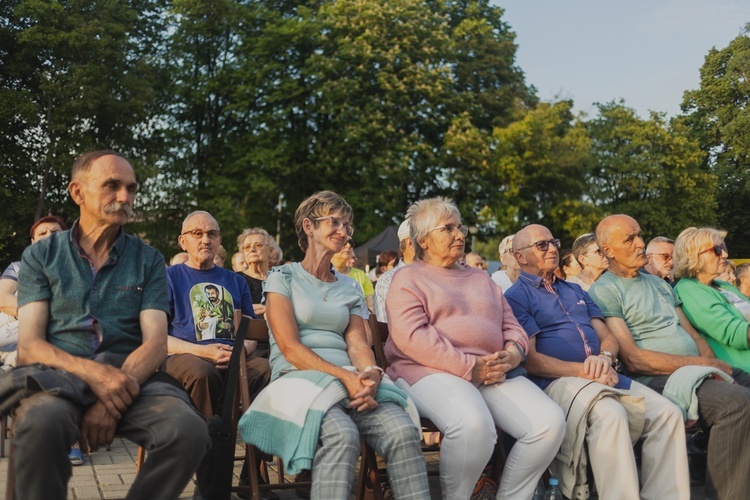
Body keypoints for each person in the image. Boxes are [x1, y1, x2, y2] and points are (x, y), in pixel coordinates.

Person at [13, 150, 209, 500]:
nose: (125, 197)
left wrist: (109, 400)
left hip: (131, 379)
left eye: (131, 189)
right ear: (78, 192)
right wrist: (95, 376)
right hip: (59, 378)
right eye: (111, 186)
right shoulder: (41, 255)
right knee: (39, 422)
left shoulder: (147, 259)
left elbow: (155, 344)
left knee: (187, 429)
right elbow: (29, 345)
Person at [242, 190, 429, 499]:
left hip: (349, 379)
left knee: (403, 431)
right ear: (308, 227)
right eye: (334, 222)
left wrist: (370, 374)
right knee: (342, 435)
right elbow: (289, 348)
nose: (343, 232)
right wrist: (345, 377)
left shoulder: (350, 286)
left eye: (347, 225)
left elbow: (357, 344)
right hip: (298, 379)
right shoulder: (282, 277)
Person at [385, 197, 565, 500]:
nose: (459, 235)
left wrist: (513, 353)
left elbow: (512, 325)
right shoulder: (407, 278)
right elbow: (412, 337)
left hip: (492, 370)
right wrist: (470, 366)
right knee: (473, 425)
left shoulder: (481, 278)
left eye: (460, 227)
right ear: (423, 240)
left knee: (548, 423)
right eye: (448, 229)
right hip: (427, 371)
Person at [505, 224, 689, 500]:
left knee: (668, 414)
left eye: (553, 242)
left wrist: (604, 358)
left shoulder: (575, 290)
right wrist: (585, 371)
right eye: (541, 245)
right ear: (520, 257)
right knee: (611, 414)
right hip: (557, 382)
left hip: (602, 373)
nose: (553, 248)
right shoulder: (516, 297)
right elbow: (531, 360)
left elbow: (608, 337)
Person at [588, 214, 750, 500]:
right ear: (607, 251)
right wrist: (703, 365)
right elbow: (634, 359)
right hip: (655, 378)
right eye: (630, 239)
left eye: (639, 235)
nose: (640, 243)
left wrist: (713, 366)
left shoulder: (659, 284)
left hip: (695, 371)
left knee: (744, 387)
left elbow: (695, 337)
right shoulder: (605, 290)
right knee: (735, 403)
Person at [164, 210, 271, 499]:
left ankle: (254, 473)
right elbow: (157, 337)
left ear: (219, 240)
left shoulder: (235, 281)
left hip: (233, 357)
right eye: (197, 233)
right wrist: (204, 352)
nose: (205, 239)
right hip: (186, 358)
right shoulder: (168, 277)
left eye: (212, 233)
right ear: (183, 241)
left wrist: (238, 352)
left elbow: (251, 332)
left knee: (267, 369)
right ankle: (210, 482)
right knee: (203, 373)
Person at [674, 227, 750, 372]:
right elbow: (735, 333)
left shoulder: (723, 286)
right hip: (741, 369)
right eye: (717, 249)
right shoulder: (689, 289)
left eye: (724, 247)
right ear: (694, 256)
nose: (725, 254)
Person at [0, 215, 68, 357]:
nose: (49, 236)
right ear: (33, 243)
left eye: (55, 232)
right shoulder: (18, 268)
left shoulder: (79, 271)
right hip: (12, 337)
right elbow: (2, 297)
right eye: (42, 233)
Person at [373, 219, 414, 323]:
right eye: (427, 239)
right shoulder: (388, 280)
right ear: (411, 243)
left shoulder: (439, 273)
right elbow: (389, 327)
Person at [238, 227, 275, 317]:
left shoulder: (279, 278)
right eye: (247, 247)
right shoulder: (236, 279)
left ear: (270, 251)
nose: (252, 249)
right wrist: (270, 308)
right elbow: (236, 309)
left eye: (258, 245)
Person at [332, 240, 375, 313]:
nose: (348, 245)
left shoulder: (361, 275)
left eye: (351, 244)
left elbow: (371, 305)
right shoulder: (321, 274)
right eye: (343, 242)